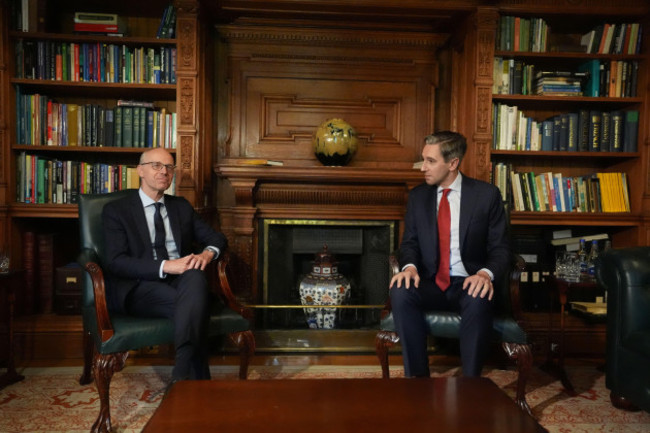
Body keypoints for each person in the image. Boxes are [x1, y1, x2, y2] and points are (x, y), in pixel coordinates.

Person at [390, 131, 511, 378]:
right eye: (423, 159)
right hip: (429, 282)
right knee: (400, 291)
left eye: (430, 161)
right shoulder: (418, 197)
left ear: (453, 163)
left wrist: (485, 274)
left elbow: (501, 248)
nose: (423, 167)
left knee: (479, 296)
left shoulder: (486, 196)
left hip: (467, 281)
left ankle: (470, 383)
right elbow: (409, 243)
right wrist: (410, 267)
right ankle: (416, 379)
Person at [102, 147, 227, 383]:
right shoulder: (117, 210)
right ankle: (195, 382)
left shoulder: (180, 207)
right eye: (156, 166)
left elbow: (216, 238)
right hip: (139, 286)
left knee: (195, 276)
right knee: (195, 306)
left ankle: (181, 378)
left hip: (183, 283)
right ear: (140, 170)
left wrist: (206, 256)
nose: (164, 172)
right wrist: (167, 266)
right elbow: (115, 262)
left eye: (169, 167)